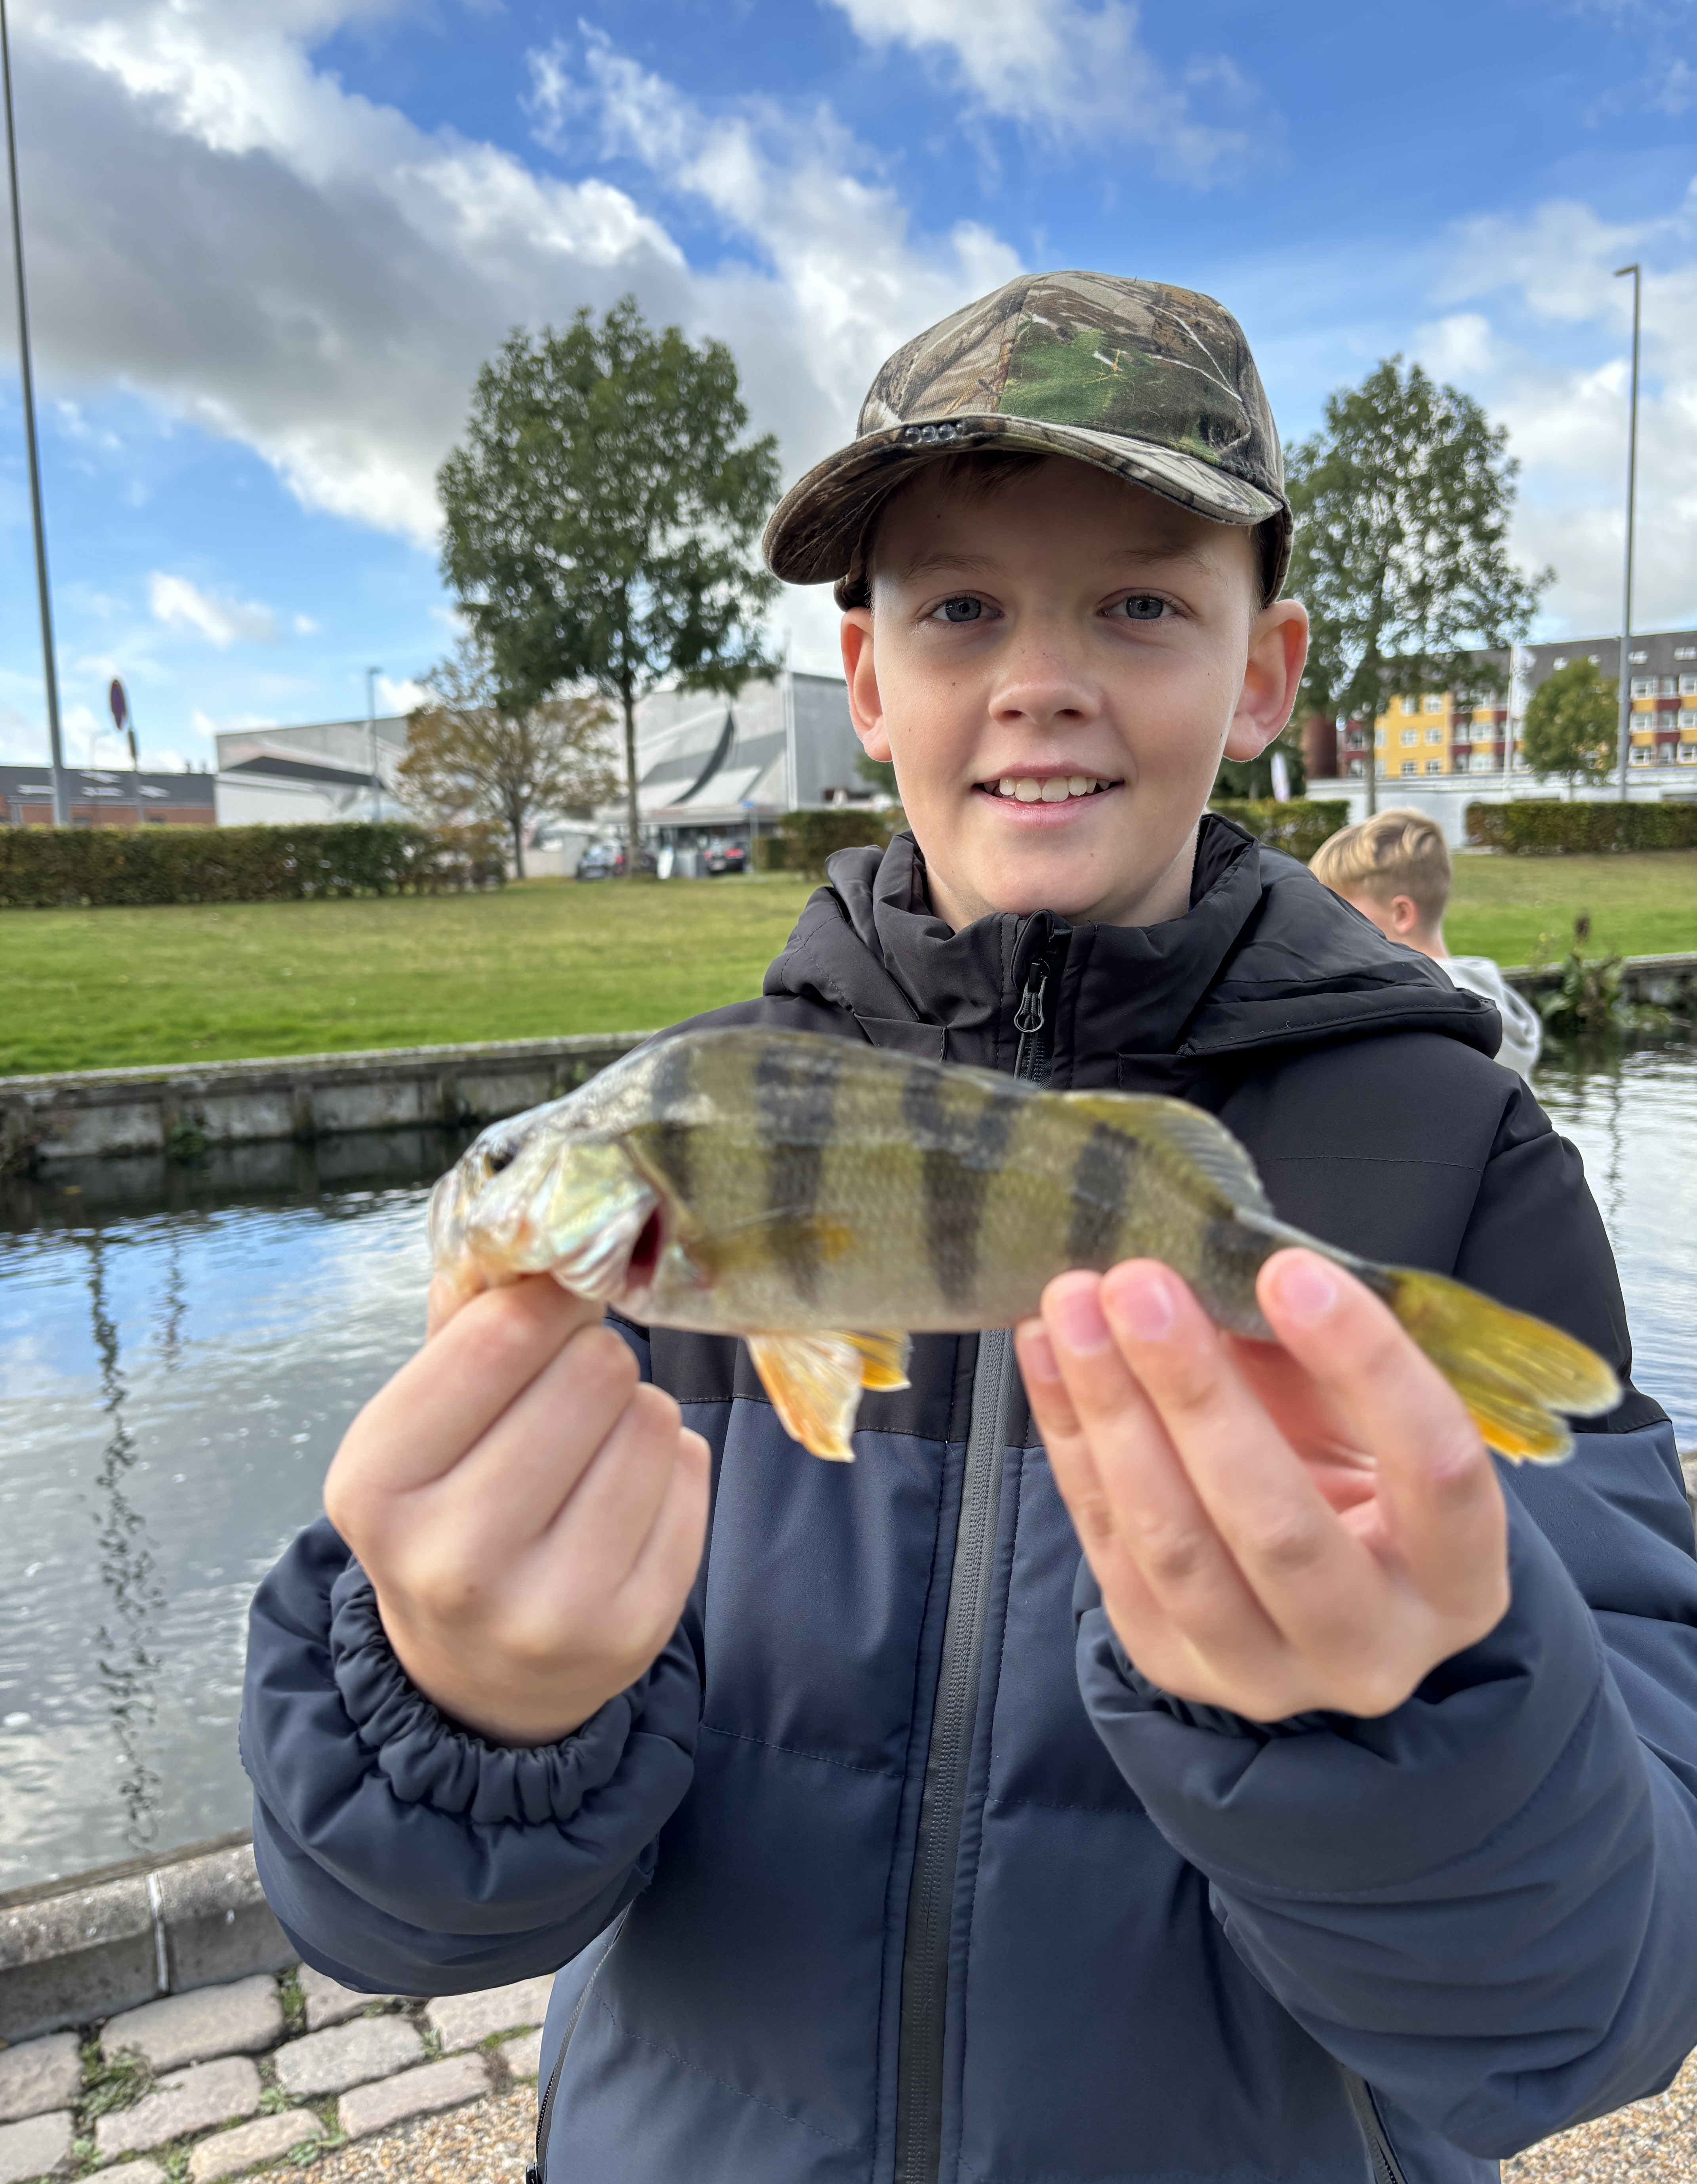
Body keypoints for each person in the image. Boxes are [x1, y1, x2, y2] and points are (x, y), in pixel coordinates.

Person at [242, 273, 1697, 2184]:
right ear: (870, 685)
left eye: (1143, 601)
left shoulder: (1456, 1147)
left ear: (1267, 674)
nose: (1041, 676)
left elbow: (1608, 1990)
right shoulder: (678, 1160)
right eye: (958, 608)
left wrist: (1409, 1727)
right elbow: (396, 1931)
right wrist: (464, 1710)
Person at [1311, 806, 1543, 1081]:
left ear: (1402, 914)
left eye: (1343, 914)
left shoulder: (1419, 1013)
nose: (1330, 932)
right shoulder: (1492, 999)